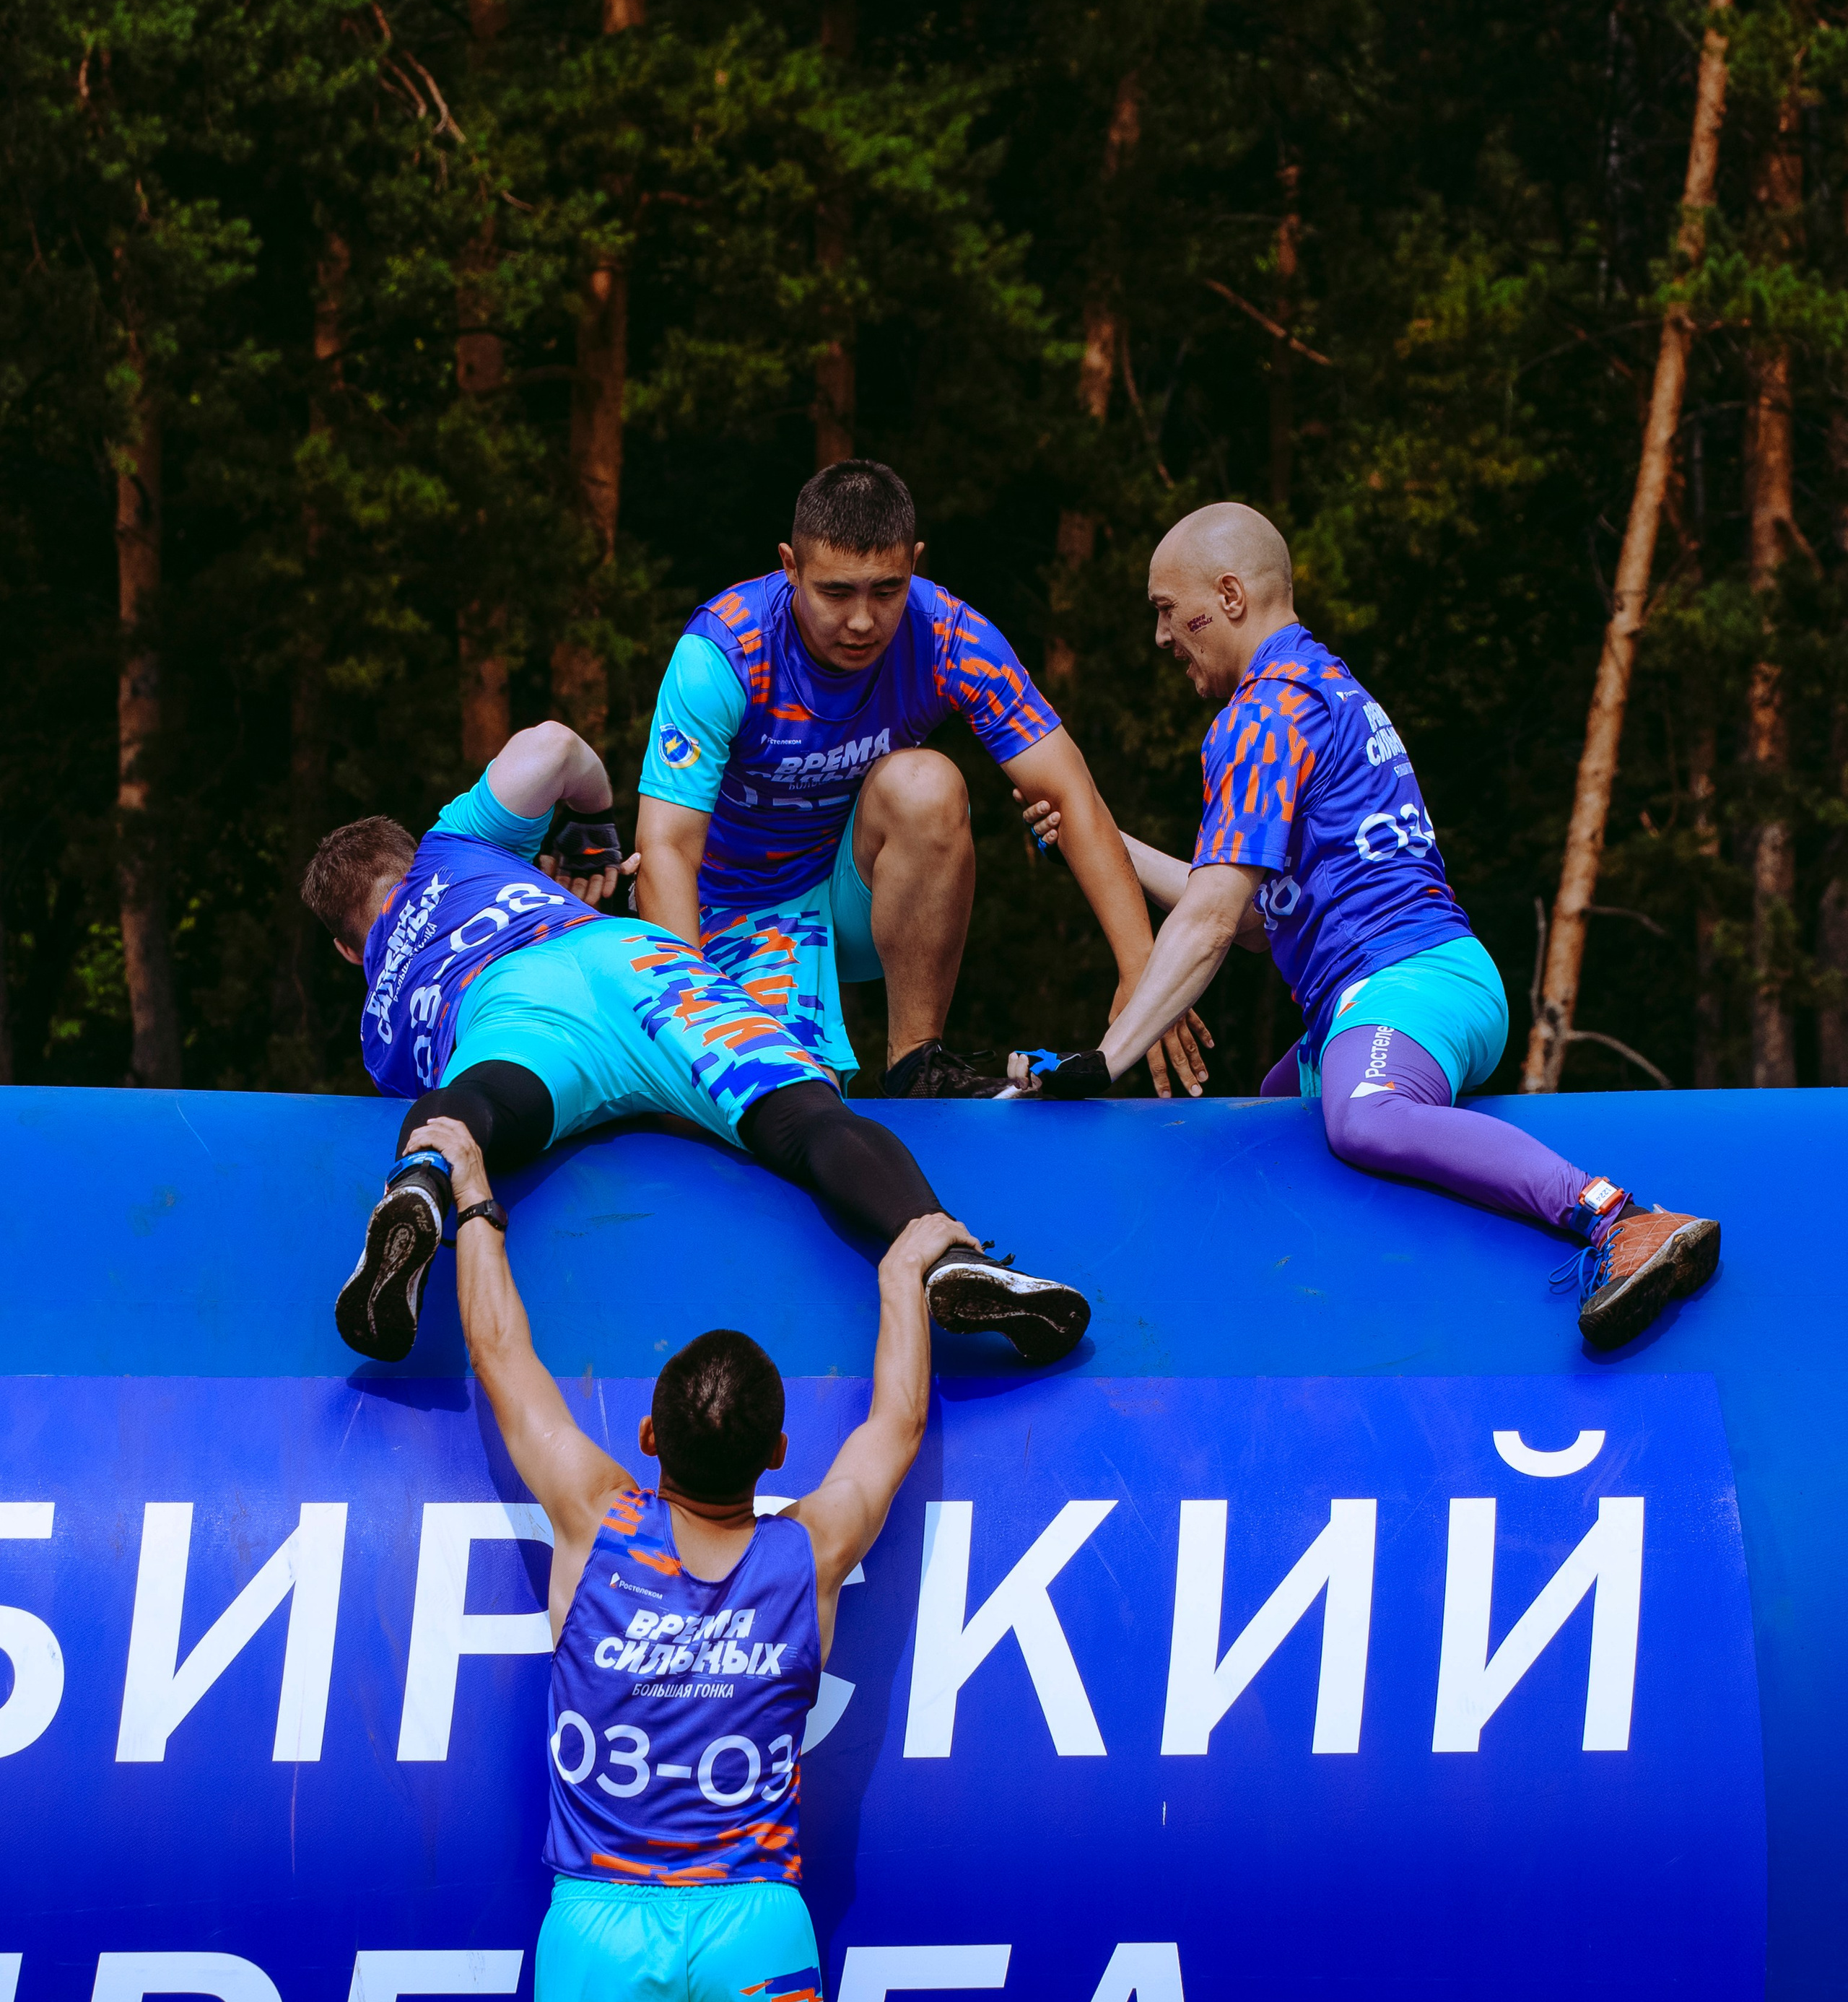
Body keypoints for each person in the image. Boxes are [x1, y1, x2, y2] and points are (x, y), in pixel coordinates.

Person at [398, 1114, 959, 2002]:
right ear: (773, 1454)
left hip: (602, 1933)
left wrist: (476, 1197)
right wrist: (902, 1270)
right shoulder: (806, 1549)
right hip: (755, 1936)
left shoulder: (596, 1524)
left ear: (648, 1431)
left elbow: (498, 1354)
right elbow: (899, 1419)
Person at [1008, 502, 1720, 1352]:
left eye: (1168, 609)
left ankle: (1616, 1216)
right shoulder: (1317, 687)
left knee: (1364, 1114)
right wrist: (1099, 837)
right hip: (1403, 990)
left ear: (1229, 595)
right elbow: (1245, 923)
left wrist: (1104, 1058)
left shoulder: (1266, 714)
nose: (1161, 636)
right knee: (1272, 1122)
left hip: (1408, 984)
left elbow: (1204, 922)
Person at [300, 720, 1088, 1367]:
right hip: (631, 960)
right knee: (806, 1116)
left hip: (511, 1012)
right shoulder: (453, 846)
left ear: (346, 950)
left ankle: (419, 1183)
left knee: (464, 1105)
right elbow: (549, 745)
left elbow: (450, 1085)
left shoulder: (379, 1025)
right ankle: (941, 1246)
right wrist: (590, 828)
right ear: (405, 860)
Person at [629, 456, 1211, 1101]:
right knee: (777, 1101)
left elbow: (1069, 792)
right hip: (728, 909)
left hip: (858, 896)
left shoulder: (949, 636)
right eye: (836, 592)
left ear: (916, 564)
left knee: (926, 784)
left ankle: (917, 1066)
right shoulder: (723, 653)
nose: (861, 621)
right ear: (790, 567)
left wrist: (1143, 971)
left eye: (886, 590)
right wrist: (694, 1026)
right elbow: (667, 849)